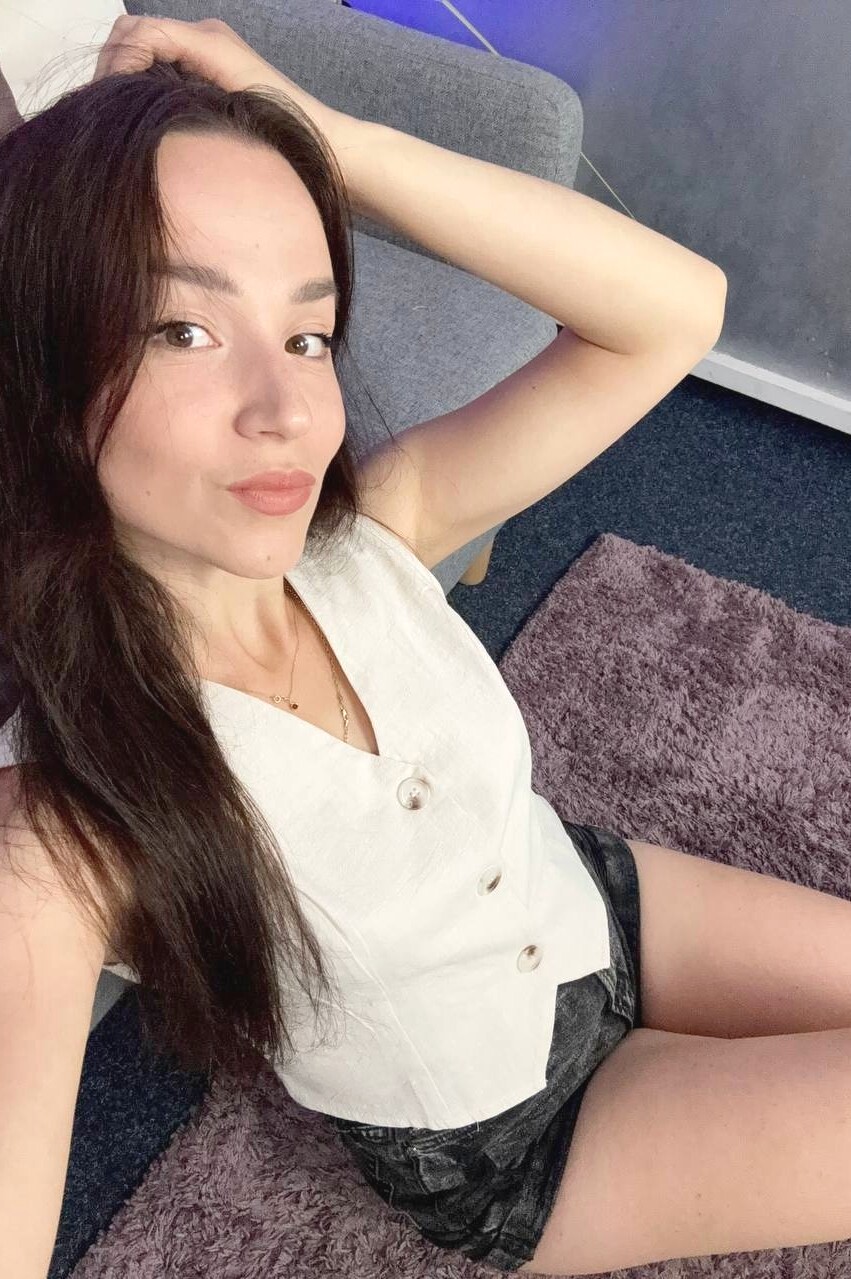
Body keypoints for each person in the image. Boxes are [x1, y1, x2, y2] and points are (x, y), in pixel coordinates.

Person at [2, 16, 851, 1279]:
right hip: (522, 1138)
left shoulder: (376, 533)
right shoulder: (63, 828)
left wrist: (327, 139)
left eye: (307, 334)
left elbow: (675, 313)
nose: (288, 411)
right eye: (182, 330)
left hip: (594, 903)